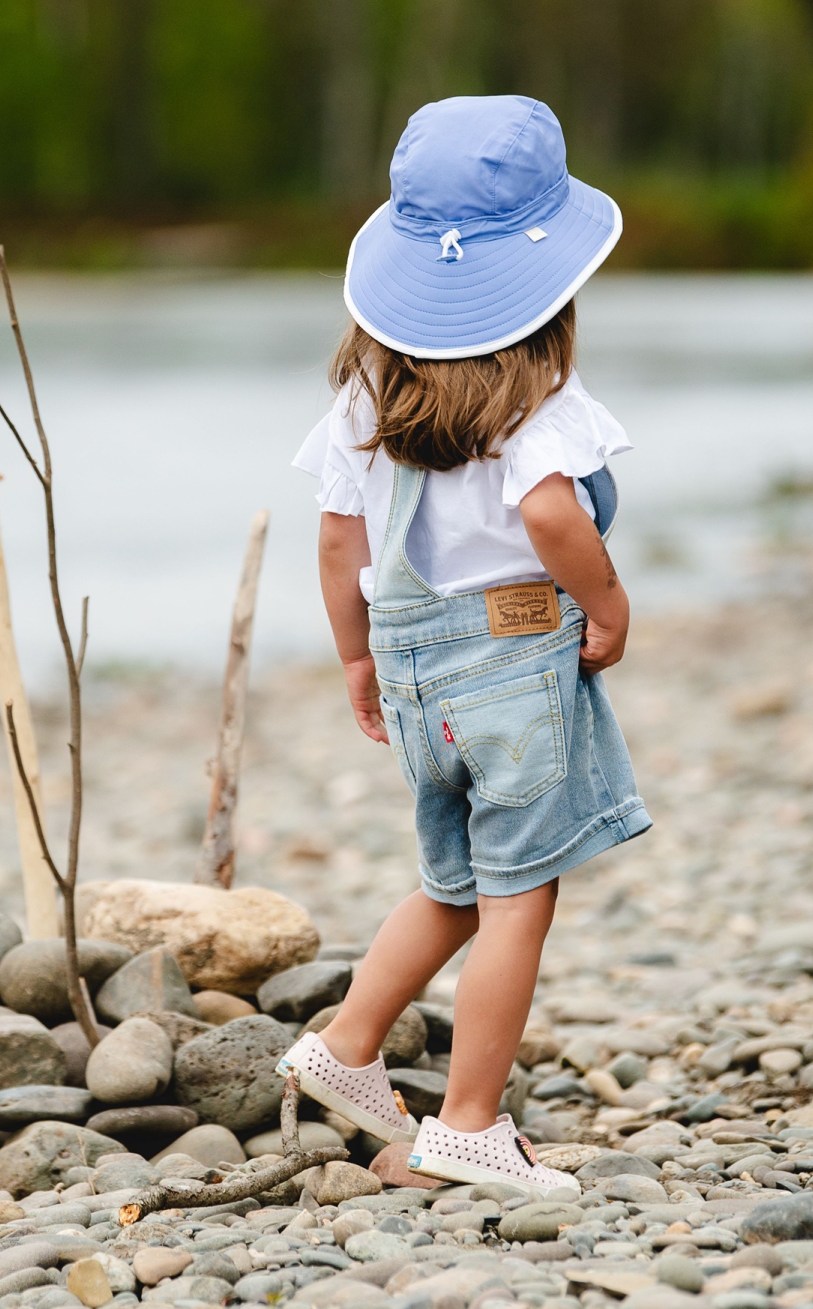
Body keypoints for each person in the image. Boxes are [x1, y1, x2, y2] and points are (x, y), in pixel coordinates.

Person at [277, 95, 651, 1196]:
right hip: (513, 667)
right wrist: (612, 603)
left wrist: (354, 658)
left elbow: (339, 536)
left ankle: (344, 1050)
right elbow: (547, 518)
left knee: (450, 885)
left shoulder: (365, 392)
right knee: (515, 899)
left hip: (409, 664)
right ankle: (470, 1123)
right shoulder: (540, 397)